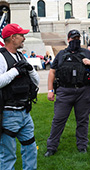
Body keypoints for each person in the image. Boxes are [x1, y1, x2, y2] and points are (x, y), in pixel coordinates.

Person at [44, 29, 90, 157]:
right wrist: (50, 90)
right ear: (68, 40)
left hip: (83, 91)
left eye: (77, 38)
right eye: (73, 38)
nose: (75, 40)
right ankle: (51, 147)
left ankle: (82, 146)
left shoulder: (86, 53)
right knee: (58, 120)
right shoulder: (61, 54)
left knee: (82, 120)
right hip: (64, 91)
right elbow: (52, 72)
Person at [0, 23, 39, 169]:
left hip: (25, 112)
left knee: (30, 150)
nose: (24, 38)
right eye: (21, 35)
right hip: (8, 114)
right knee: (8, 156)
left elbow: (35, 81)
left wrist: (30, 69)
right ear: (12, 37)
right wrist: (15, 71)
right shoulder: (1, 57)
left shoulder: (20, 55)